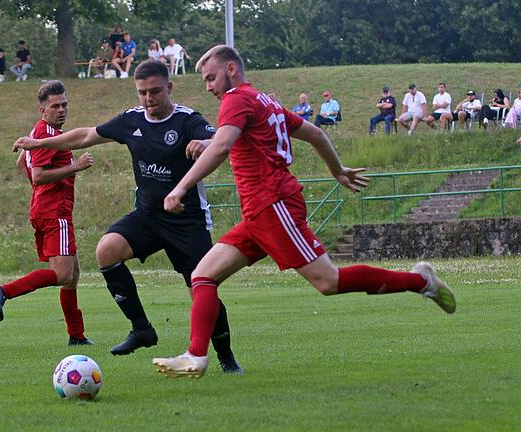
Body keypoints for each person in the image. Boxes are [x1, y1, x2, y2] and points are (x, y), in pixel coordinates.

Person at [151, 45, 456, 378]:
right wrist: (337, 169)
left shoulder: (236, 98)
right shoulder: (263, 100)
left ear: (232, 70)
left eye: (211, 77)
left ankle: (420, 281)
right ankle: (196, 356)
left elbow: (224, 145)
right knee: (203, 275)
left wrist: (181, 187)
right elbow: (312, 132)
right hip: (258, 212)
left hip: (273, 204)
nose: (208, 86)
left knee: (329, 282)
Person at [14, 60, 243, 373]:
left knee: (201, 290)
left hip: (186, 221)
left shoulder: (188, 120)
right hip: (147, 216)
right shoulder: (132, 120)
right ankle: (142, 329)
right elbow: (85, 136)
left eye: (155, 92)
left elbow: (220, 141)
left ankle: (226, 357)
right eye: (142, 92)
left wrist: (203, 143)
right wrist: (39, 142)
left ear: (169, 88)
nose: (148, 99)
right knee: (106, 250)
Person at [0, 81, 94, 346]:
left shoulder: (41, 132)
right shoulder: (45, 136)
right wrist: (76, 167)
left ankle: (76, 336)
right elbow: (39, 174)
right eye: (55, 106)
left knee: (72, 275)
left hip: (48, 208)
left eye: (64, 105)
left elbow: (21, 162)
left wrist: (39, 192)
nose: (61, 110)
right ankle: (3, 291)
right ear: (42, 109)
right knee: (63, 275)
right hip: (55, 212)